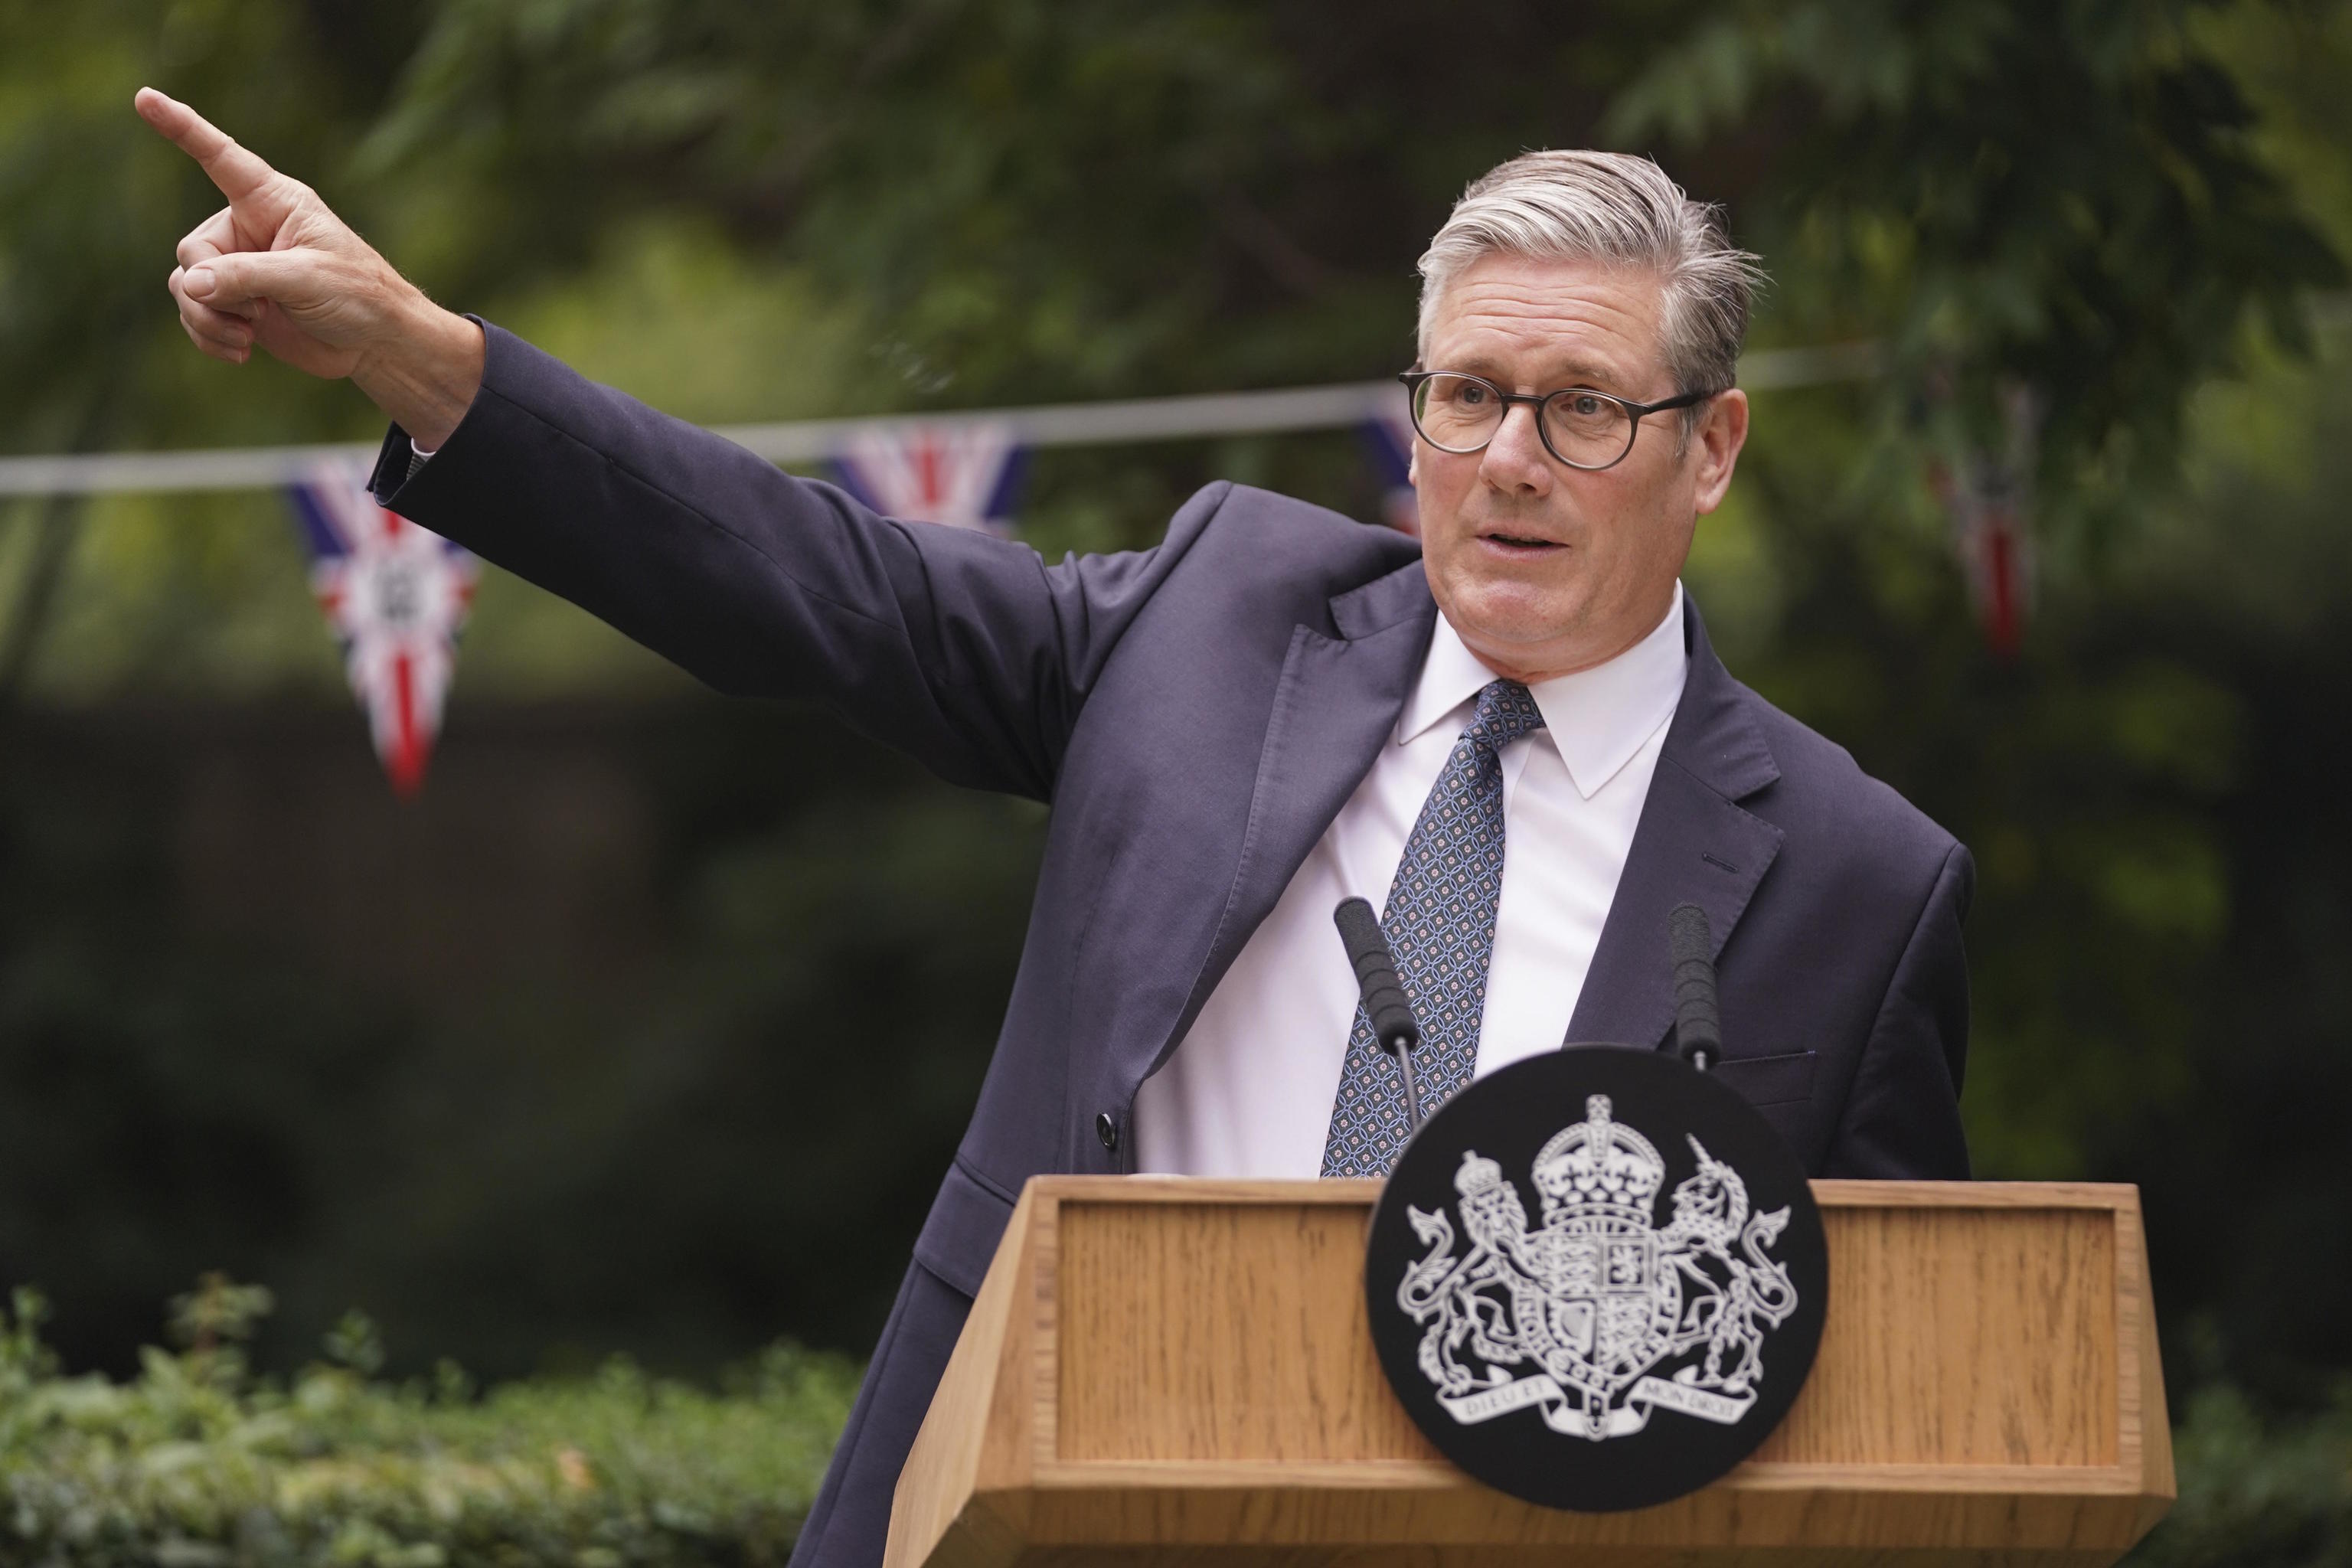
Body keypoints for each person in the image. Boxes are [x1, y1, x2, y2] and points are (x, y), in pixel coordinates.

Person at [137, 87, 1973, 1567]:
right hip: (1049, 1501)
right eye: (1468, 395)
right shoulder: (1216, 621)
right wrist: (425, 357)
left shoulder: (1854, 881)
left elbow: (1885, 1431)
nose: (1507, 458)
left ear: (1713, 447)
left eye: (1583, 409)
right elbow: (816, 580)